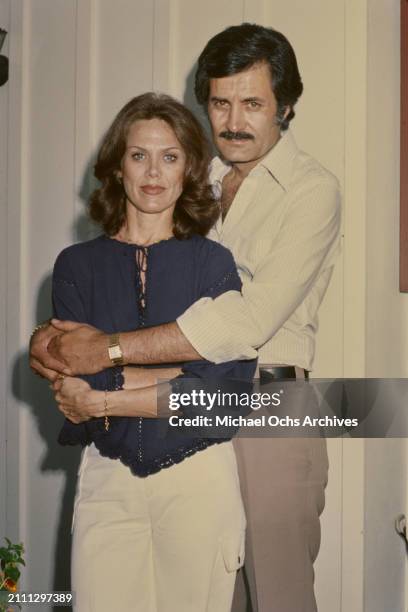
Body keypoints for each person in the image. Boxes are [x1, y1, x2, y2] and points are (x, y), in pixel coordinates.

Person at [30, 23, 341, 612]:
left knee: (276, 598)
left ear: (287, 106)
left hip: (270, 404)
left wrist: (107, 352)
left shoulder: (311, 190)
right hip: (179, 418)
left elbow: (245, 322)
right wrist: (50, 342)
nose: (233, 120)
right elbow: (129, 285)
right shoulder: (197, 184)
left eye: (253, 103)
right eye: (220, 102)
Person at [46, 92, 256, 612]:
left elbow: (225, 397)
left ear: (189, 170)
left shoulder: (213, 264)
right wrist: (181, 371)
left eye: (170, 156)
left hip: (199, 480)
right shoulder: (75, 265)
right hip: (107, 478)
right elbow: (73, 377)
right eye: (139, 155)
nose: (153, 171)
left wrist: (104, 395)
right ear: (118, 166)